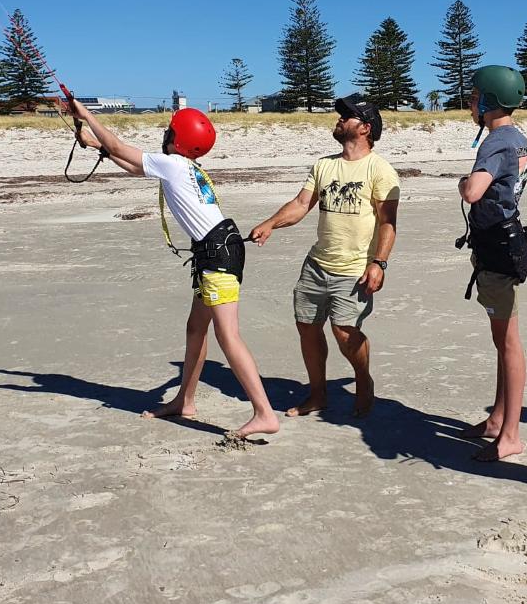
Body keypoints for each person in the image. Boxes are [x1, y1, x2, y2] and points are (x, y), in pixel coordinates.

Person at [68, 100, 279, 439]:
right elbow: (134, 166)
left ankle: (264, 413)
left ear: (178, 139)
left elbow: (119, 146)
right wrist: (95, 145)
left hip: (217, 254)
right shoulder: (183, 166)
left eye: (171, 129)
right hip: (219, 248)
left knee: (228, 336)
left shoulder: (174, 165)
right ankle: (185, 401)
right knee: (196, 329)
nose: (165, 132)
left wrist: (87, 115)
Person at [250, 95, 399, 418]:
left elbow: (388, 222)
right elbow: (302, 204)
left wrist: (379, 263)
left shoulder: (380, 170)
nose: (340, 118)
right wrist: (271, 223)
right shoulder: (324, 165)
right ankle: (317, 394)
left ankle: (363, 380)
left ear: (365, 128)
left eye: (348, 115)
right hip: (317, 265)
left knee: (345, 332)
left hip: (355, 267)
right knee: (307, 325)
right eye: (341, 114)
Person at [456, 66, 527, 462]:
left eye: (474, 97)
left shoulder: (497, 141)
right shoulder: (518, 139)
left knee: (508, 343)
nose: (470, 103)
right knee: (502, 339)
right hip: (506, 240)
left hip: (498, 247)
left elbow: (473, 191)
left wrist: (461, 183)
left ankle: (511, 435)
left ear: (489, 100)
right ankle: (497, 421)